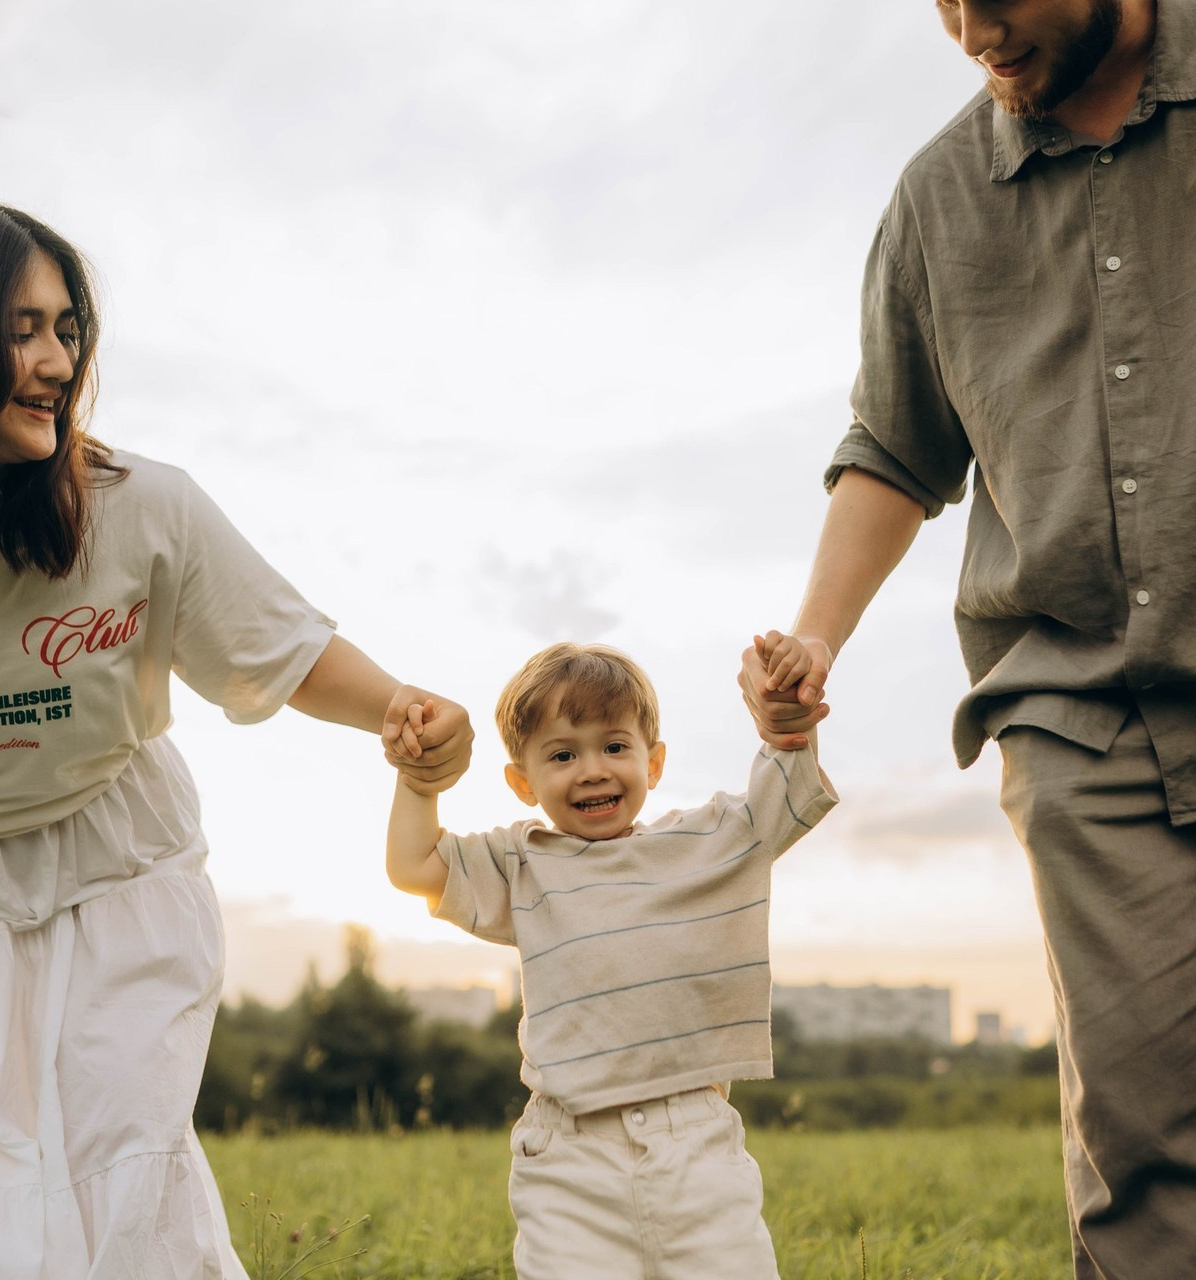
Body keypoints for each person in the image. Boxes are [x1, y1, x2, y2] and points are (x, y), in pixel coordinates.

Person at [0, 194, 473, 1279]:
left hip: (117, 870)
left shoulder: (141, 505)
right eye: (21, 331)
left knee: (125, 1176)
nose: (58, 362)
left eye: (66, 329)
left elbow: (278, 643)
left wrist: (404, 708)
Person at [740, 2, 1195, 1276]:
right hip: (1080, 714)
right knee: (1139, 1150)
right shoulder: (937, 196)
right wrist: (814, 638)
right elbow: (894, 444)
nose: (969, 30)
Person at [386, 639, 836, 1280]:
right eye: (562, 755)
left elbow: (785, 787)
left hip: (697, 1144)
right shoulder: (521, 862)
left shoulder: (708, 843)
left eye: (615, 746)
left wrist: (788, 706)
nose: (593, 769)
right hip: (569, 1154)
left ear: (654, 762)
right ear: (522, 782)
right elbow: (414, 865)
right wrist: (418, 779)